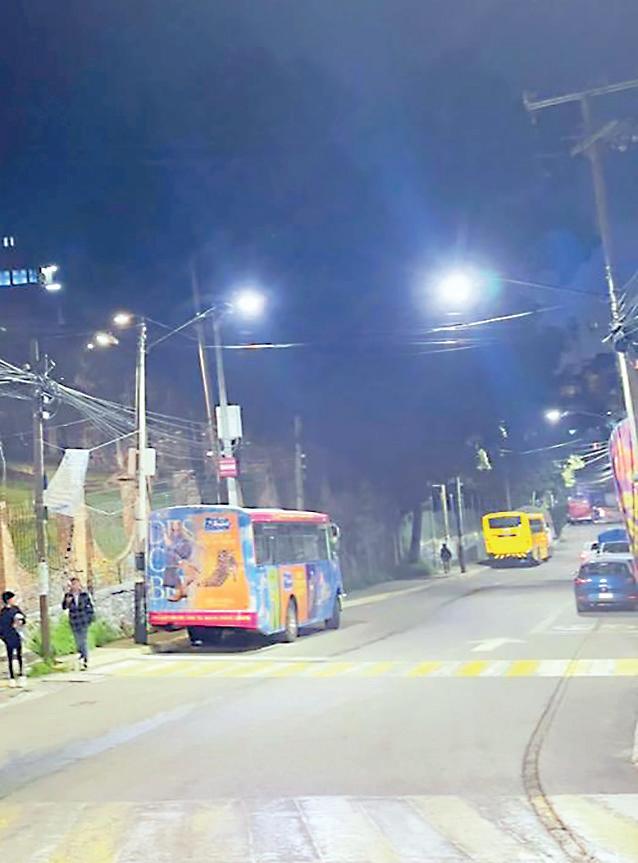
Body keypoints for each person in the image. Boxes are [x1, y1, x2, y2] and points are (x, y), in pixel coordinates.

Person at [62, 578, 94, 670]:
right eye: (73, 584)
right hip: (74, 621)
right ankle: (81, 656)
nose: (75, 586)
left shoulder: (84, 595)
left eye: (76, 584)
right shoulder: (68, 596)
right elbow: (64, 607)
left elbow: (90, 608)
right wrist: (67, 602)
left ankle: (84, 659)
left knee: (82, 640)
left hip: (83, 621)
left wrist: (89, 618)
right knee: (77, 641)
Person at [0, 591, 27, 687]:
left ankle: (21, 675)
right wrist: (3, 637)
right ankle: (12, 677)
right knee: (10, 657)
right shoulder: (3, 612)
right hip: (8, 636)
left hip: (17, 634)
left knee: (19, 655)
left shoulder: (16, 609)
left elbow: (23, 618)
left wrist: (21, 622)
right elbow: (1, 626)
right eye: (11, 598)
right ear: (7, 600)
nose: (13, 600)